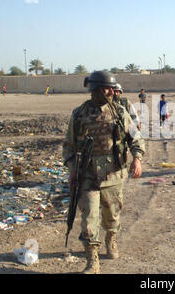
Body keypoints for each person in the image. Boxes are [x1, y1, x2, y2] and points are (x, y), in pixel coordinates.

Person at [62, 71, 145, 274]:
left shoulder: (119, 112)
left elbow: (135, 138)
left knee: (112, 217)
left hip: (114, 175)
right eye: (106, 88)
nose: (110, 91)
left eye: (111, 88)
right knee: (89, 219)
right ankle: (92, 261)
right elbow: (69, 147)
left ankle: (111, 238)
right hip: (87, 176)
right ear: (95, 89)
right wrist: (72, 171)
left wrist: (137, 159)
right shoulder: (79, 114)